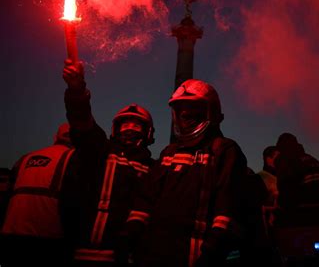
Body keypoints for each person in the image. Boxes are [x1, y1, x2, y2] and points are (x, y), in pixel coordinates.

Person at [122, 79, 247, 267]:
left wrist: (212, 250)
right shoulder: (169, 153)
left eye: (192, 108)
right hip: (151, 256)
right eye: (180, 109)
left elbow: (227, 206)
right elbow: (146, 199)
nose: (185, 113)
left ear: (210, 112)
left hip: (195, 257)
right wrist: (131, 235)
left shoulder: (224, 150)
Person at [61, 60, 155, 266]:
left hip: (124, 255)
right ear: (115, 129)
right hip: (77, 248)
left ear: (147, 133)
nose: (129, 129)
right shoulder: (99, 150)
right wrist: (76, 90)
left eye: (136, 125)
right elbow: (82, 121)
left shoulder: (154, 169)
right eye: (125, 124)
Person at [0, 123, 75, 267]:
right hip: (48, 236)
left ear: (55, 137)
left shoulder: (26, 158)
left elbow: (8, 193)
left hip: (10, 231)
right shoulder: (74, 158)